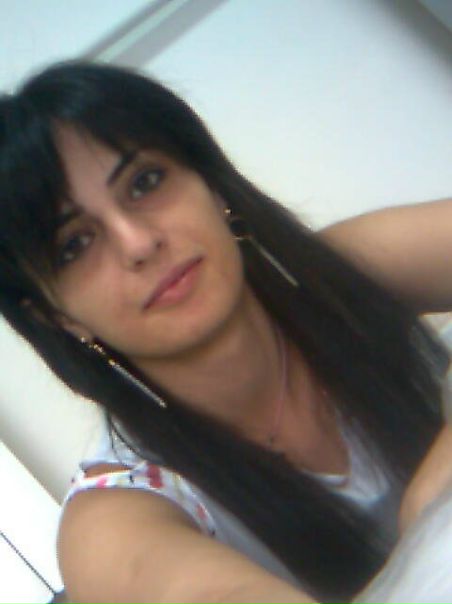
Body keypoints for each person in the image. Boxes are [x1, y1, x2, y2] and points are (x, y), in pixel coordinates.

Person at [0, 60, 450, 604]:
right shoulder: (116, 518)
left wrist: (434, 499)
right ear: (56, 316)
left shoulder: (341, 274)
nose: (139, 243)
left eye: (145, 182)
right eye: (74, 245)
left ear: (212, 186)